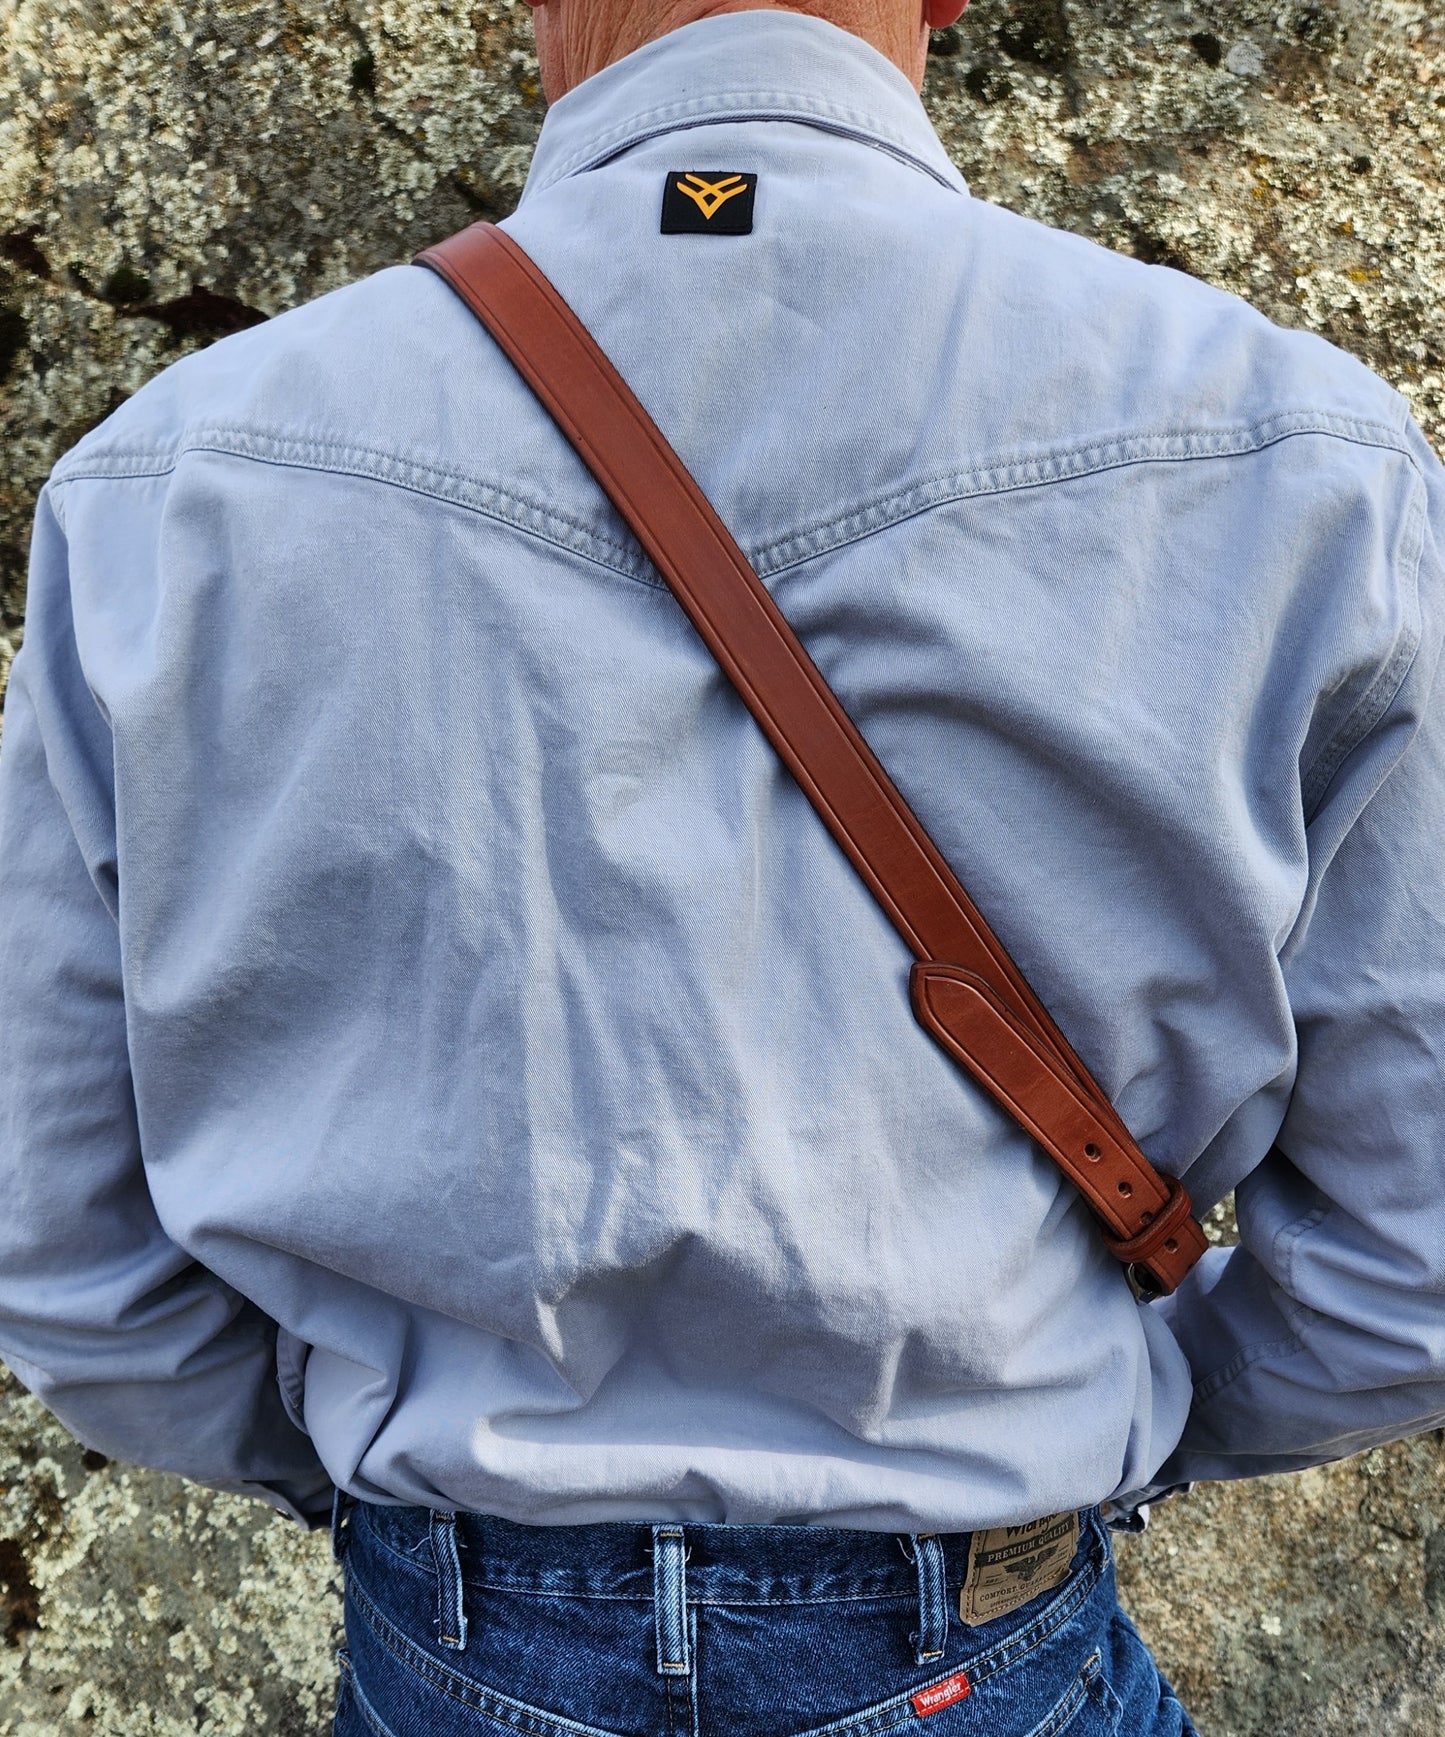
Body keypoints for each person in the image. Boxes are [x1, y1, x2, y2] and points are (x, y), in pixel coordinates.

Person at [1, 0, 1443, 1729]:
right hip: (979, 1630)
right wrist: (1082, 1424)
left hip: (451, 1631)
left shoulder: (176, 477)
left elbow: (63, 1239)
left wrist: (379, 1461)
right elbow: (1408, 1242)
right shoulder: (1299, 455)